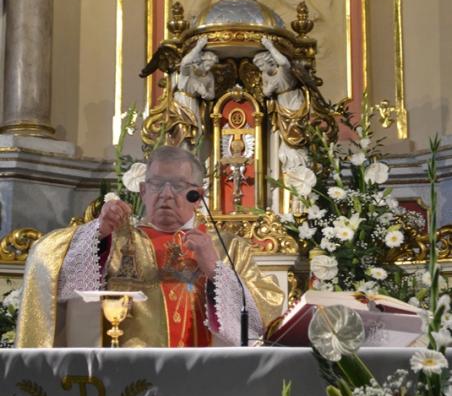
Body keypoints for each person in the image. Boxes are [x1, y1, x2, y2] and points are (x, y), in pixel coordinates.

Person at [16, 146, 283, 348]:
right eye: (156, 184)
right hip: (131, 379)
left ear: (197, 196)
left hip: (209, 374)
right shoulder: (116, 241)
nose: (166, 194)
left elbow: (266, 316)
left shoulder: (229, 248)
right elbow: (45, 260)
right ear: (143, 191)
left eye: (177, 186)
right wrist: (99, 232)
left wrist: (215, 269)